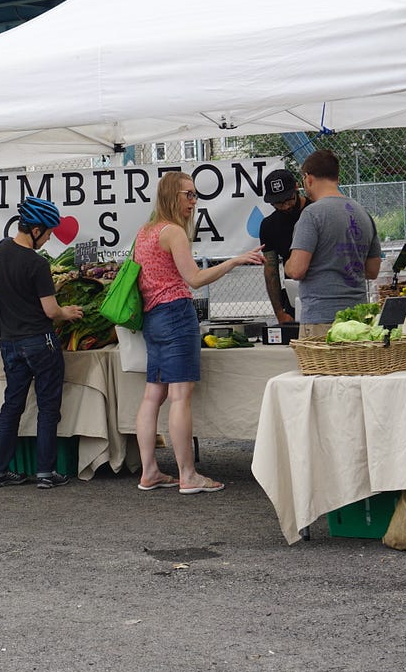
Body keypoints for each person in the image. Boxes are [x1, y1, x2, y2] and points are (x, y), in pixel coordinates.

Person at [134, 172, 265, 494]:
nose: (193, 201)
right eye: (188, 195)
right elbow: (193, 279)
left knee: (153, 395)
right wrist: (234, 261)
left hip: (152, 318)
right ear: (172, 196)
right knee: (180, 397)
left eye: (195, 195)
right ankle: (188, 475)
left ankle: (149, 471)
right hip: (176, 315)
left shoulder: (145, 232)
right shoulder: (173, 232)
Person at [0, 196, 83, 490]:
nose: (50, 237)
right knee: (47, 407)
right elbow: (50, 311)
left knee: (11, 407)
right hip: (40, 342)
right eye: (49, 231)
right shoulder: (36, 263)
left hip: (10, 344)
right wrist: (68, 312)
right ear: (36, 229)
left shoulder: (0, 251)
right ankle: (46, 472)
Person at [285, 150, 382, 340]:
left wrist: (288, 263)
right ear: (337, 178)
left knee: (321, 370)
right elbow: (372, 270)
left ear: (308, 178)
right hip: (359, 319)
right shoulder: (362, 213)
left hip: (321, 318)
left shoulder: (312, 214)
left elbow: (296, 270)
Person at [258, 168, 308, 324]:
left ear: (297, 188)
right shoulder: (269, 225)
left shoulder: (315, 211)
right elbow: (271, 270)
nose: (285, 206)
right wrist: (279, 312)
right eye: (278, 203)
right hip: (295, 296)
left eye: (289, 199)